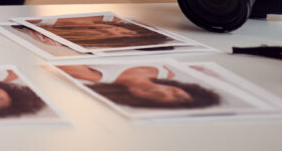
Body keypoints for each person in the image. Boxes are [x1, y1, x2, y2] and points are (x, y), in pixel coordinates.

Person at [57, 64, 221, 109]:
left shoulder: (93, 76)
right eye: (178, 95)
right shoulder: (167, 72)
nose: (162, 92)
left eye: (157, 98)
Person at [28, 15, 174, 49]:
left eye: (121, 36)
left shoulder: (48, 40)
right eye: (127, 32)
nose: (115, 30)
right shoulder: (102, 17)